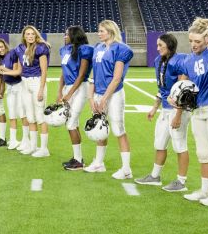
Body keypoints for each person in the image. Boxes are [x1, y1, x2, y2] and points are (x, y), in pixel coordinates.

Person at [135, 33, 189, 190]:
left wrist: (178, 114)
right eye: (157, 45)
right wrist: (154, 107)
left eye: (161, 46)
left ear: (170, 46)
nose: (157, 48)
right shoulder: (159, 61)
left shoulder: (179, 61)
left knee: (180, 145)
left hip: (178, 109)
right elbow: (162, 88)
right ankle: (154, 176)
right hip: (165, 109)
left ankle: (181, 181)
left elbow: (182, 90)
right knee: (159, 143)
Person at [174, 18, 208, 202]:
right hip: (197, 109)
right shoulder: (189, 59)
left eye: (198, 41)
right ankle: (206, 190)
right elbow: (182, 84)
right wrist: (174, 96)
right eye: (191, 41)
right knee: (203, 152)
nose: (193, 45)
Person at [86, 19, 134, 178]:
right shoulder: (98, 48)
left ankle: (126, 169)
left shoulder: (121, 49)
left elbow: (117, 78)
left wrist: (105, 98)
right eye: (98, 31)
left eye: (102, 31)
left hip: (113, 94)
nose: (99, 34)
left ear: (111, 31)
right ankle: (99, 163)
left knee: (118, 130)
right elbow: (94, 74)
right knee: (100, 127)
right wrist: (91, 97)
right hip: (99, 94)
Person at [56, 26, 94, 171]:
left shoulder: (84, 49)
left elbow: (81, 75)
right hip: (68, 88)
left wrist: (70, 93)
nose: (65, 36)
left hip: (80, 87)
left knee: (70, 124)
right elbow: (63, 73)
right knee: (73, 122)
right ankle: (78, 157)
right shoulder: (64, 50)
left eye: (67, 34)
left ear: (74, 35)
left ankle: (78, 161)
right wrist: (60, 91)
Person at [14, 25, 51, 157]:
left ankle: (44, 149)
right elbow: (19, 70)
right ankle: (33, 146)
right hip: (25, 83)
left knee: (40, 117)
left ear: (36, 35)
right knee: (30, 117)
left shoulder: (41, 48)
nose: (30, 36)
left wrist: (41, 89)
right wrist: (3, 70)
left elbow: (44, 71)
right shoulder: (20, 48)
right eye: (27, 34)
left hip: (36, 82)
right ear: (24, 36)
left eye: (32, 34)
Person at [0, 38, 25, 151]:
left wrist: (2, 69)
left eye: (1, 47)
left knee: (22, 114)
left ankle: (26, 140)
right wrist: (0, 91)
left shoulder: (12, 54)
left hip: (19, 86)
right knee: (12, 114)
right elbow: (1, 77)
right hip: (10, 87)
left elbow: (15, 73)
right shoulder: (0, 59)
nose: (0, 50)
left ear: (5, 46)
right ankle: (14, 139)